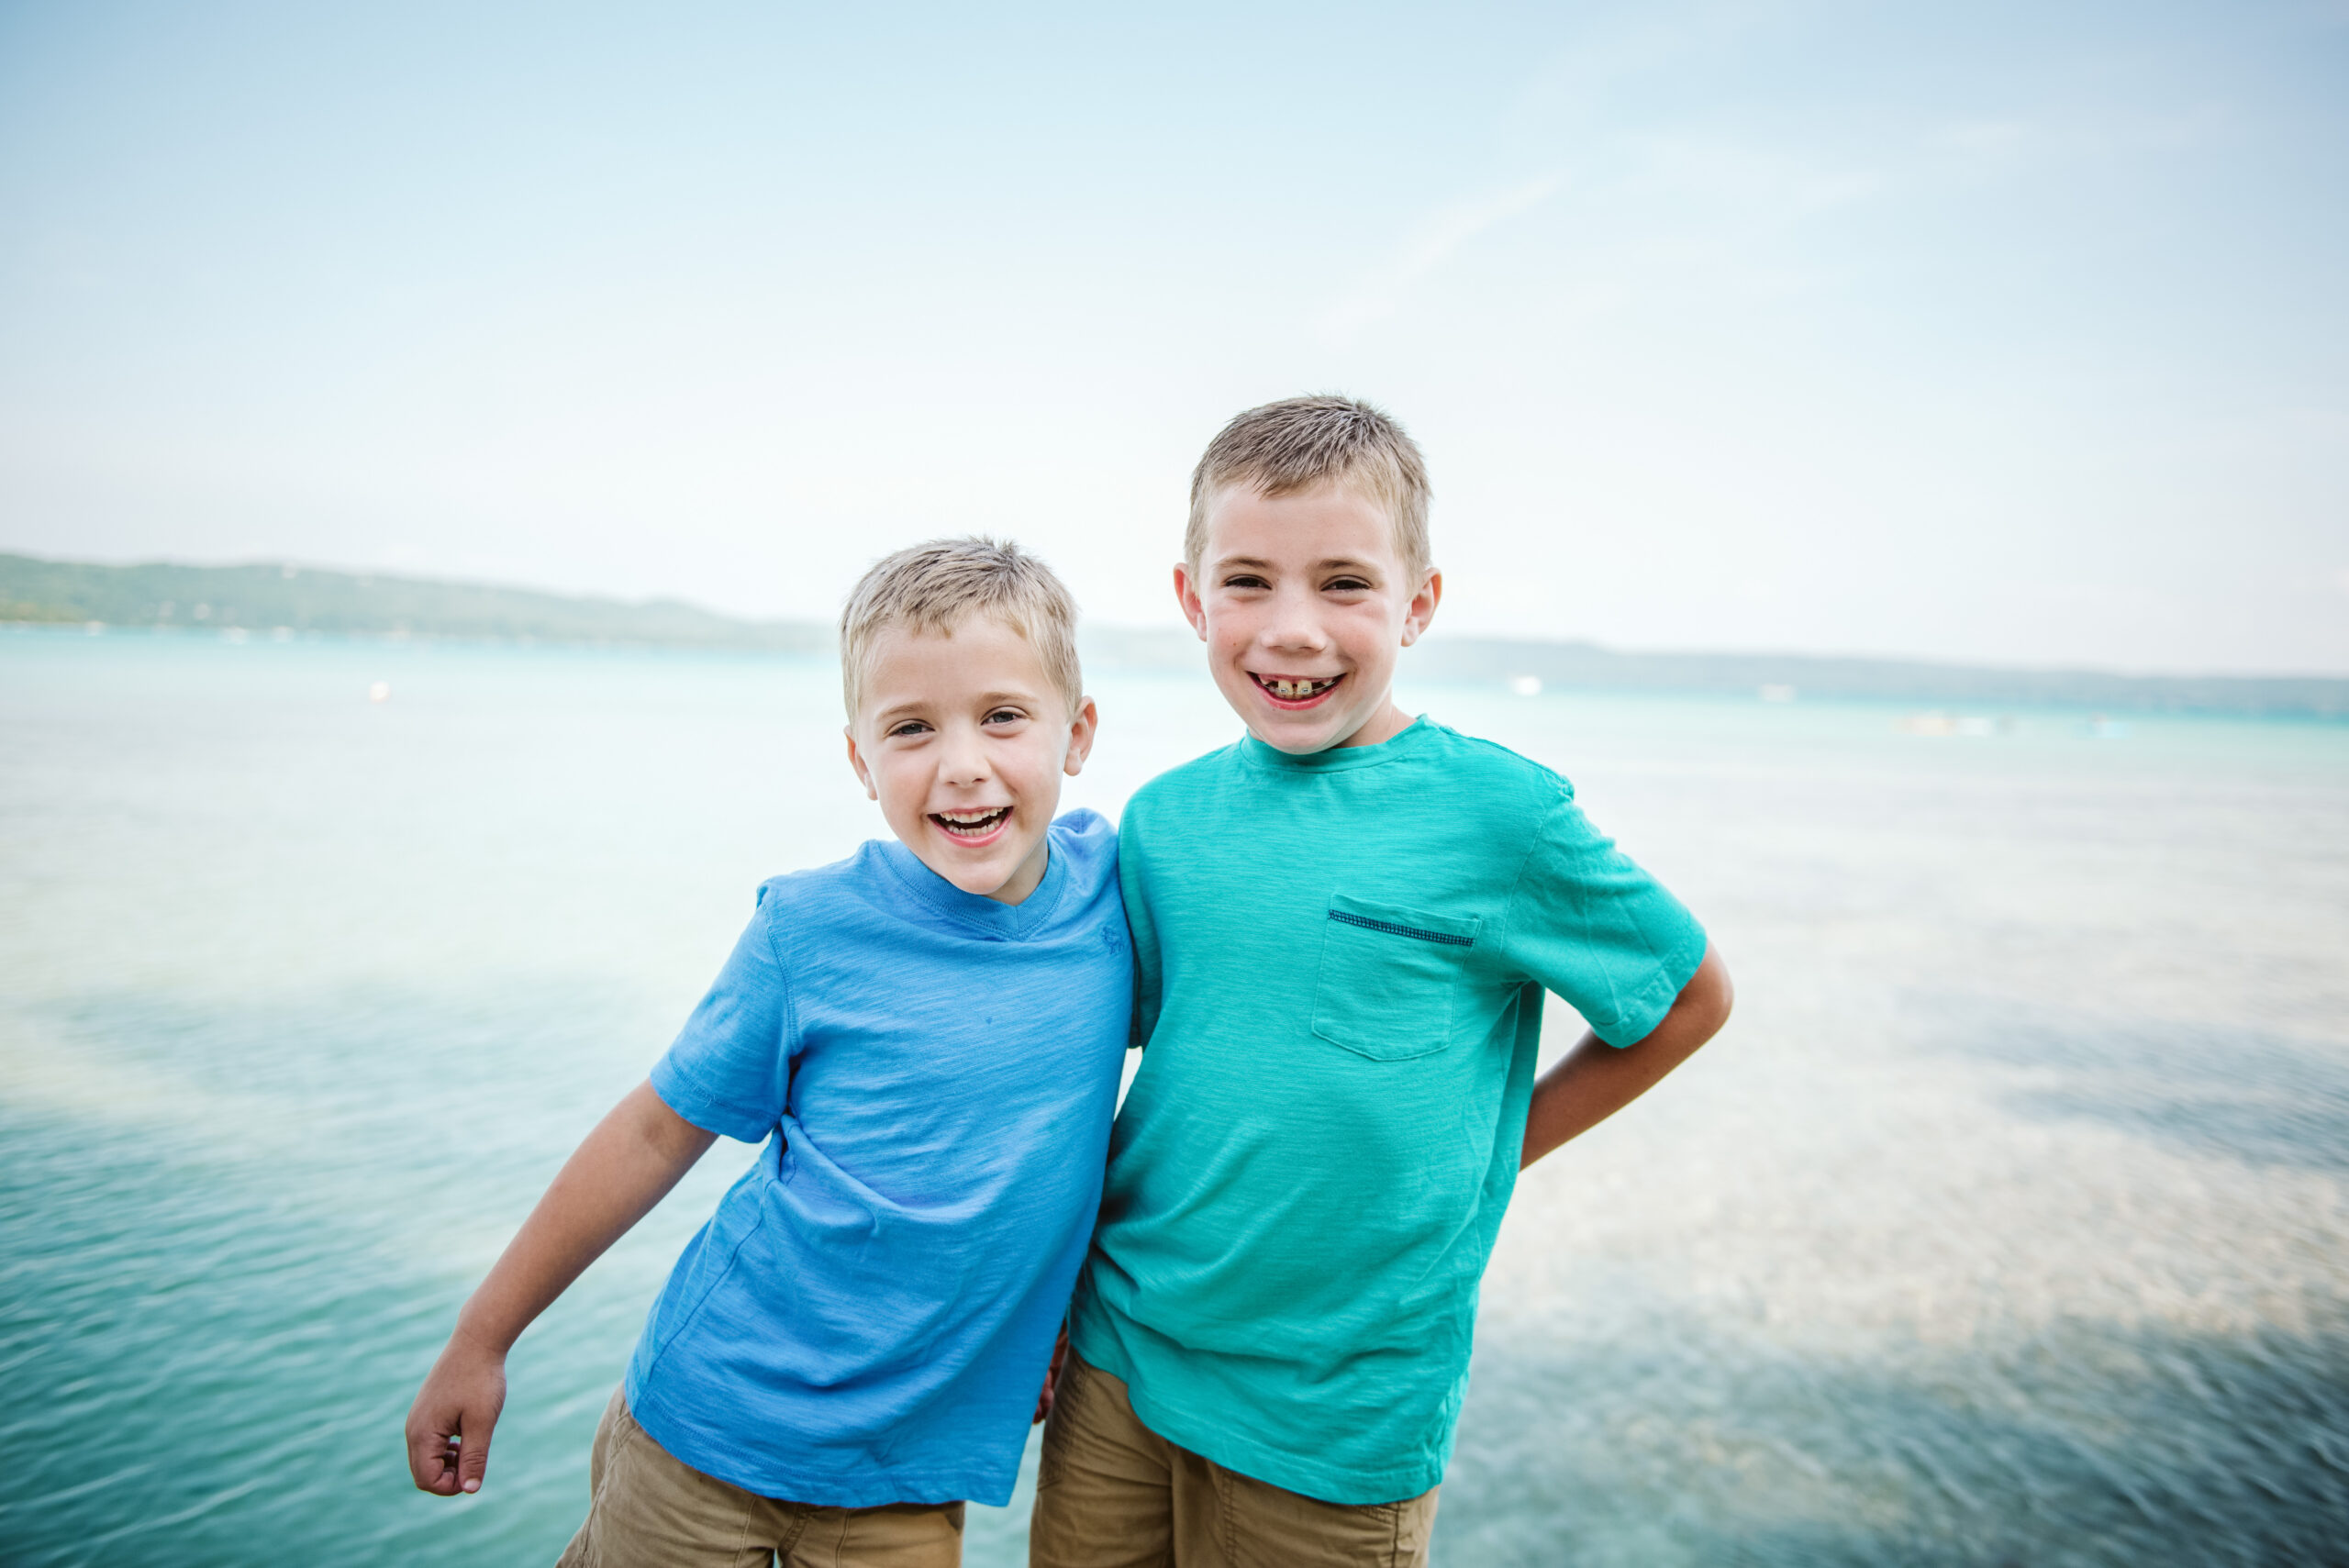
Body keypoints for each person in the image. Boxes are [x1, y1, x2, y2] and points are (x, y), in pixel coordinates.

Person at [1029, 396, 1736, 1568]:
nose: (1292, 629)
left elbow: (1686, 999)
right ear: (1191, 598)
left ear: (1417, 602)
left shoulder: (1499, 814)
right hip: (1119, 1350)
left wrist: (1498, 1148)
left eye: (1344, 583)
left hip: (1335, 1402)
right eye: (1247, 581)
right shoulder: (1163, 820)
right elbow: (1123, 1062)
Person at [404, 538, 1131, 1568]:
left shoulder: (1117, 905)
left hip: (908, 1476)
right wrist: (482, 1337)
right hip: (705, 1435)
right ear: (860, 760)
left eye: (1003, 716)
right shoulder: (809, 933)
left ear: (1077, 732)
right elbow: (653, 1133)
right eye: (911, 727)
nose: (962, 763)